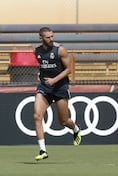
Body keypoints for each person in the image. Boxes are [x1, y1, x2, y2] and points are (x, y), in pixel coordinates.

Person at [34, 27, 81, 161]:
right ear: (41, 38)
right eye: (48, 37)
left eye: (52, 36)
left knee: (63, 121)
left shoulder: (60, 49)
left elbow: (69, 69)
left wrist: (54, 80)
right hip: (44, 88)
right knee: (37, 116)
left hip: (60, 88)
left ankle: (76, 128)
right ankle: (43, 150)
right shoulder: (36, 51)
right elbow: (42, 66)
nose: (51, 39)